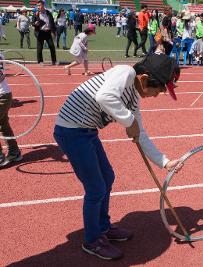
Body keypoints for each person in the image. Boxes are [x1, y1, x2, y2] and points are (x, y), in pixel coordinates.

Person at [53, 53, 182, 260]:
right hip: (71, 132)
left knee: (107, 178)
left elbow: (140, 134)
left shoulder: (133, 99)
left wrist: (165, 162)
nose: (157, 95)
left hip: (86, 131)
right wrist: (129, 121)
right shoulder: (126, 72)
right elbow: (104, 97)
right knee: (95, 188)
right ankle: (92, 240)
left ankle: (103, 227)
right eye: (158, 90)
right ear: (144, 79)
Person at [0, 53, 23, 168]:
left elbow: (0, 76)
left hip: (2, 96)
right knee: (3, 125)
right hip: (3, 95)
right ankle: (14, 152)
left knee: (3, 125)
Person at [32, 0, 57, 65]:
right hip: (40, 32)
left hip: (48, 32)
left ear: (43, 5)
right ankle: (40, 61)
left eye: (39, 5)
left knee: (52, 46)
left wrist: (54, 32)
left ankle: (54, 61)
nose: (38, 7)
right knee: (40, 48)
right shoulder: (36, 14)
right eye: (37, 6)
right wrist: (35, 24)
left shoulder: (48, 13)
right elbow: (32, 23)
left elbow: (52, 23)